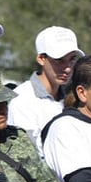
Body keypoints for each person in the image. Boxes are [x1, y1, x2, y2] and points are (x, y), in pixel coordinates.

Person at [8, 26, 83, 156]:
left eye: (72, 59)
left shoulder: (74, 99)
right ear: (41, 59)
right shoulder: (22, 100)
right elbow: (29, 157)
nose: (67, 68)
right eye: (59, 60)